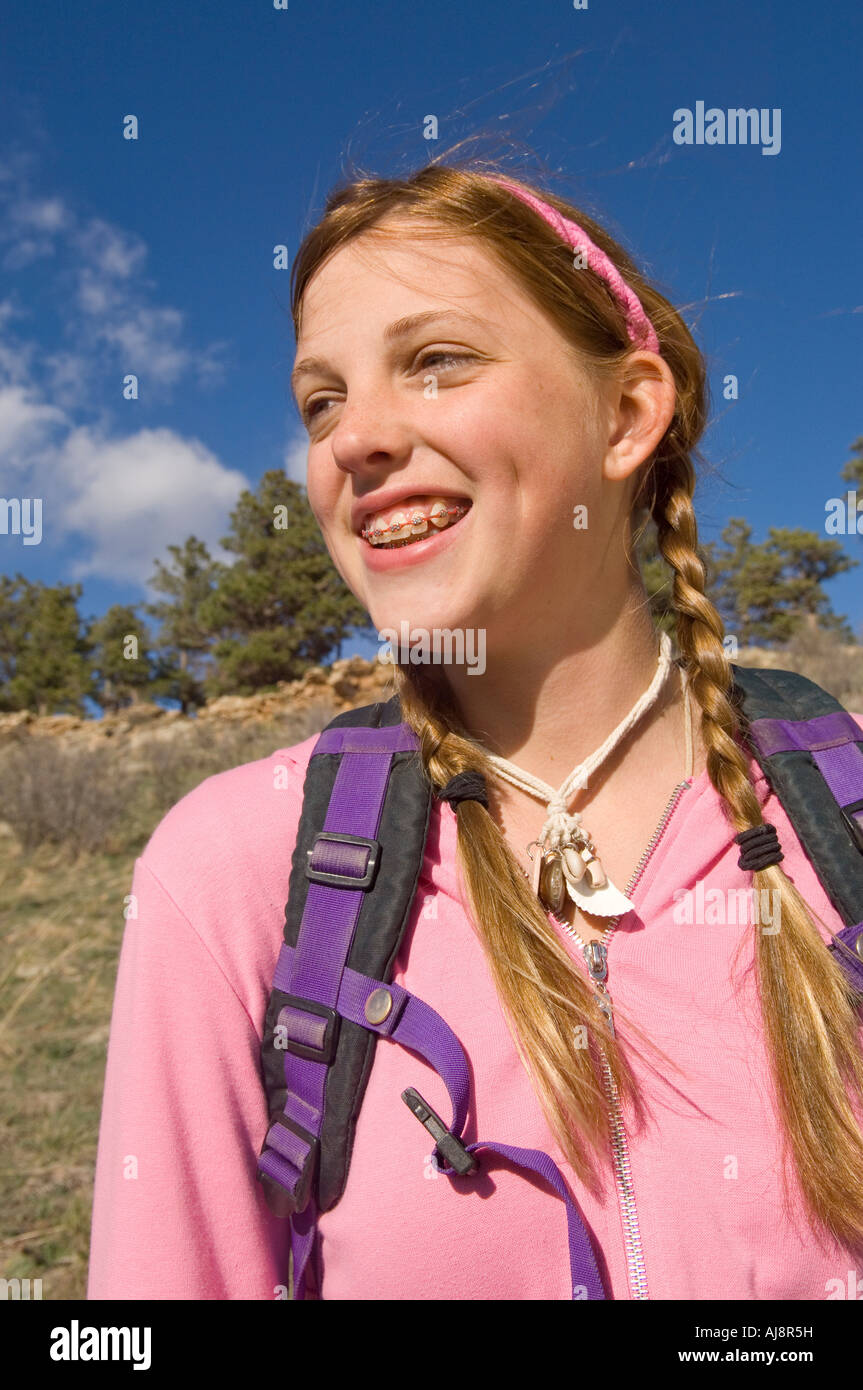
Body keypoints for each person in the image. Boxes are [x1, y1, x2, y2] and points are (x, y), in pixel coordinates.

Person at [88, 163, 863, 1300]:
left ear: (625, 414)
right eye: (321, 401)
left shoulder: (833, 815)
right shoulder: (232, 871)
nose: (354, 438)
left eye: (435, 361)